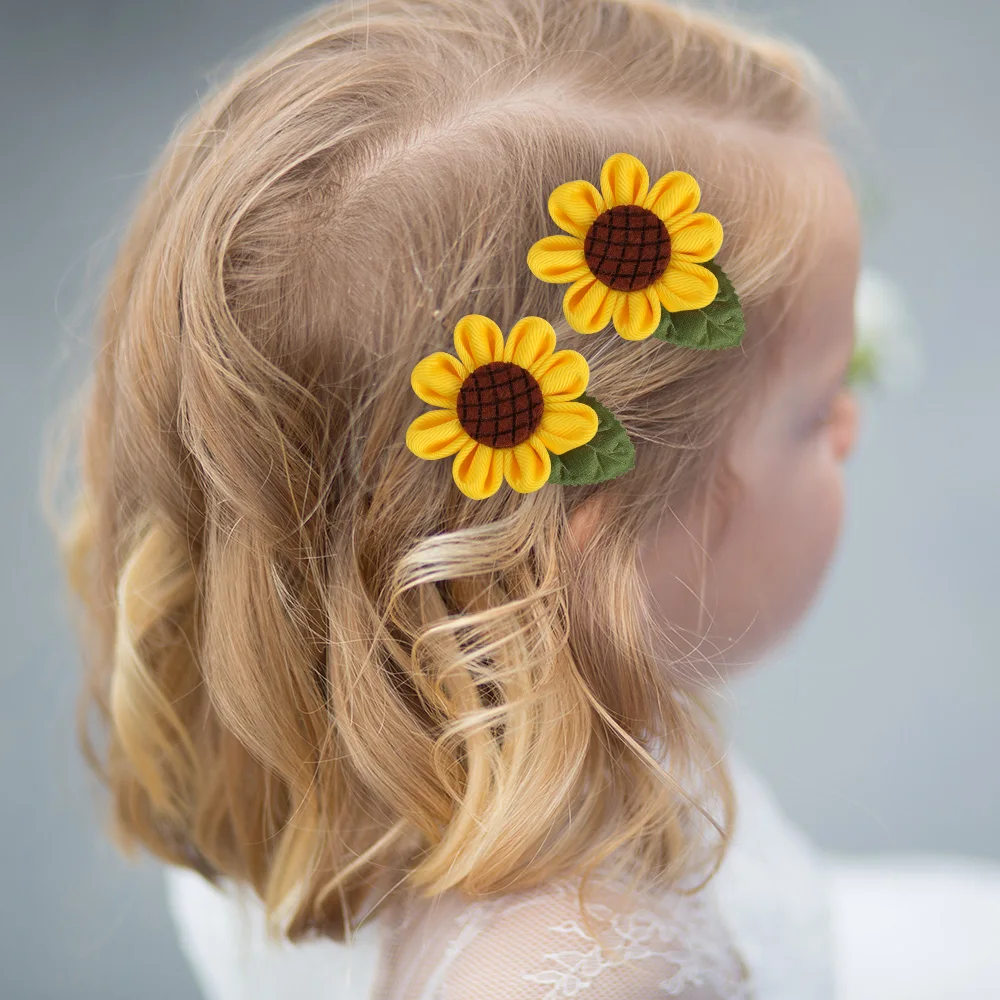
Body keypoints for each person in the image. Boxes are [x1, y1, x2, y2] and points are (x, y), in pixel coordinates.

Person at [49, 0, 1000, 997]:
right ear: (583, 556)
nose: (851, 423)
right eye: (813, 410)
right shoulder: (587, 972)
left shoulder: (310, 723)